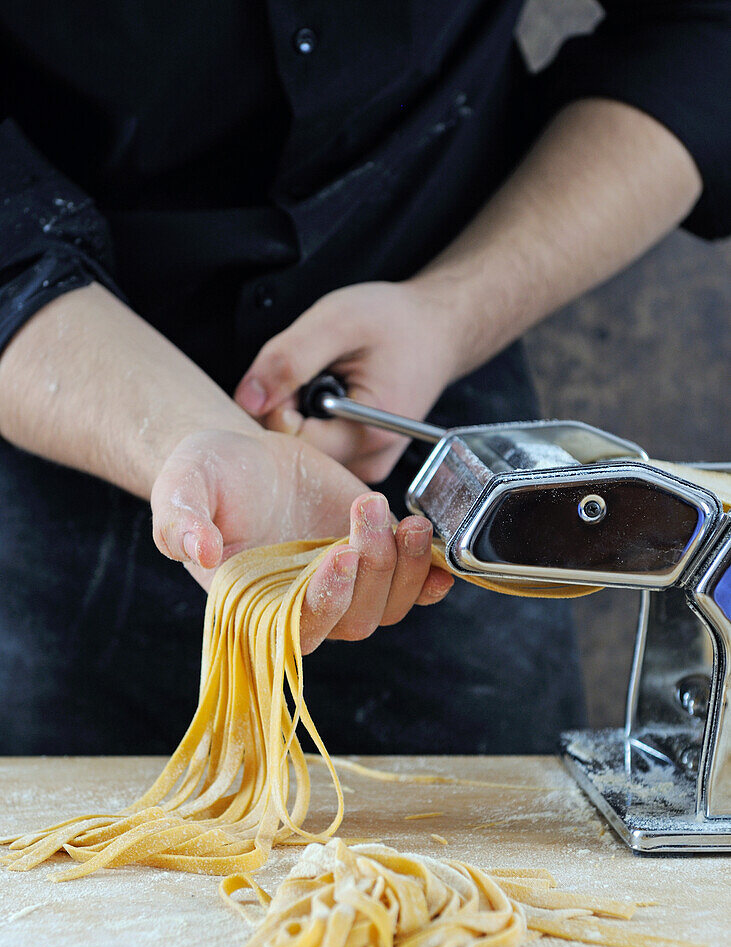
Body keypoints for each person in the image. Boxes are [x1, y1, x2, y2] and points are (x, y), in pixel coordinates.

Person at [0, 3, 728, 756]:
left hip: (438, 458)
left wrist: (453, 312)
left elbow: (703, 32)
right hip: (60, 396)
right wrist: (184, 433)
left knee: (504, 857)